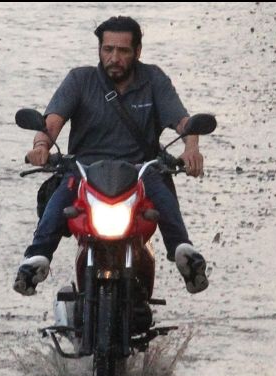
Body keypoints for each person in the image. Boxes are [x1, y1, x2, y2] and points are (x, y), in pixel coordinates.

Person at [14, 15, 209, 296]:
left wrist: (191, 148)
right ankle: (36, 260)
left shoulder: (153, 79)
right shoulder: (80, 80)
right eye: (108, 49)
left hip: (140, 171)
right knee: (64, 187)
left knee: (159, 180)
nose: (114, 57)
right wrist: (41, 147)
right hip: (85, 171)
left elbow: (184, 122)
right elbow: (51, 123)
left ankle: (183, 252)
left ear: (137, 52)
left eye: (123, 50)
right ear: (99, 50)